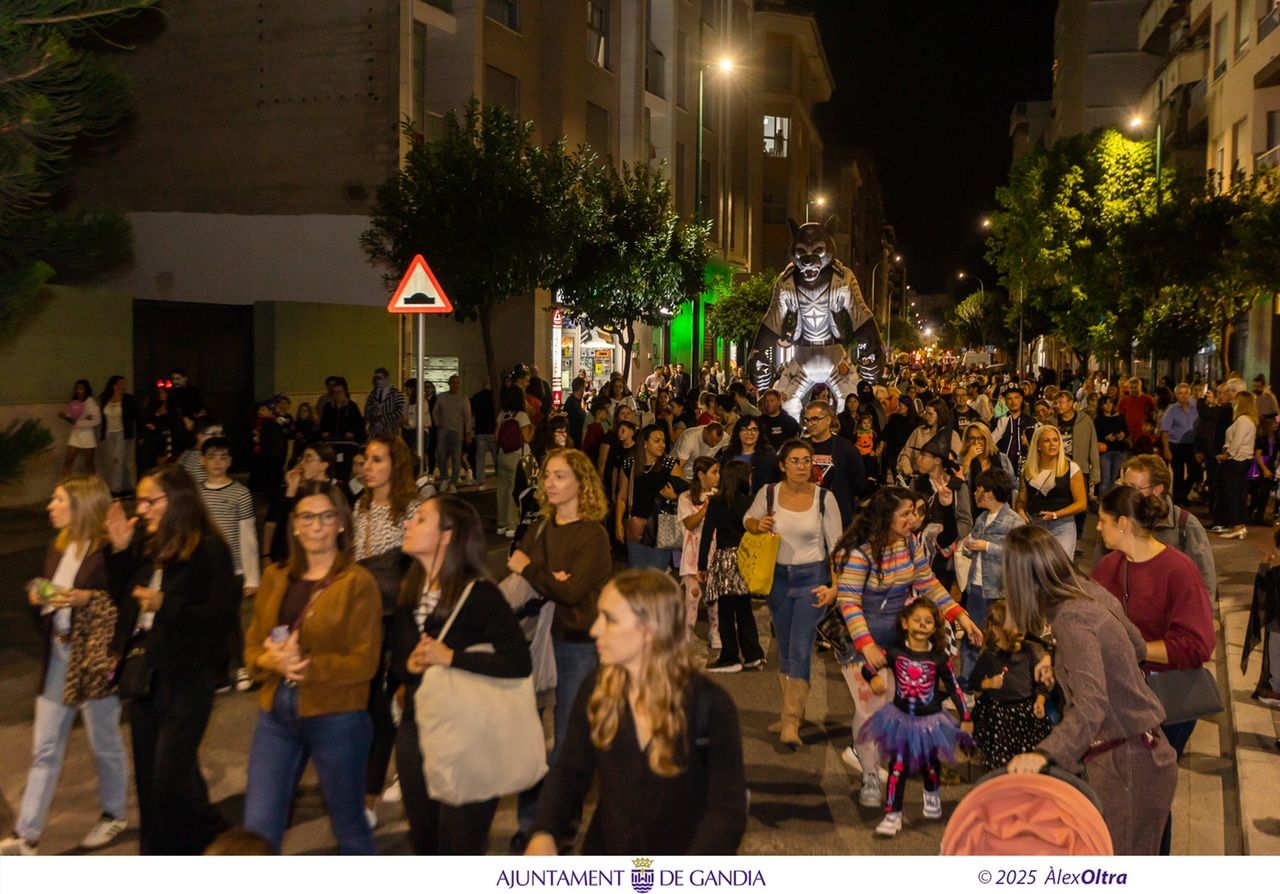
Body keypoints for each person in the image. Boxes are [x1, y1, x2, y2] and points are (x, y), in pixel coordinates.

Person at [526, 569, 748, 855]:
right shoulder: (597, 690)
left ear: (648, 630)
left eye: (610, 620)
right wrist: (544, 832)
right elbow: (570, 772)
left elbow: (727, 812)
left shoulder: (710, 706)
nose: (595, 629)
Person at [1003, 525, 1178, 856]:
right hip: (1146, 754)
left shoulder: (1071, 621)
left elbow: (1090, 706)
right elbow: (1137, 646)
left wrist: (1043, 754)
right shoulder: (1088, 591)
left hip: (1125, 765)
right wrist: (1060, 661)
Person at [102, 465, 238, 854]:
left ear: (177, 500)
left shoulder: (209, 549)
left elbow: (221, 618)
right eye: (139, 500)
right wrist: (119, 550)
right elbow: (124, 599)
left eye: (151, 500)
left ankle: (219, 841)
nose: (142, 508)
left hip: (188, 675)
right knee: (151, 777)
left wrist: (168, 605)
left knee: (170, 777)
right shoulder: (149, 544)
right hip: (147, 672)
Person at [242, 482, 381, 855]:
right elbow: (253, 643)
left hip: (337, 715)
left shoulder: (358, 583)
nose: (316, 525)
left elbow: (365, 662)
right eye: (307, 517)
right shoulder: (276, 577)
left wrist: (307, 667)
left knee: (349, 825)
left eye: (326, 516)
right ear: (295, 524)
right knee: (258, 825)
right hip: (276, 712)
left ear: (339, 523)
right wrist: (265, 660)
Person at [391, 496, 530, 854]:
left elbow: (518, 662)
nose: (408, 524)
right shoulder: (407, 592)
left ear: (447, 535)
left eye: (420, 519)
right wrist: (409, 666)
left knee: (459, 850)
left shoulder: (481, 594)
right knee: (425, 844)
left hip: (469, 738)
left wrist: (451, 657)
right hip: (416, 732)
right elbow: (398, 663)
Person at [0, 477, 128, 856]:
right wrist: (41, 595)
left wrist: (87, 598)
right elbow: (52, 601)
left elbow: (123, 603)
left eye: (57, 500)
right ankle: (28, 835)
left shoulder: (107, 551)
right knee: (45, 747)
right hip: (58, 654)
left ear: (81, 506)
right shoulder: (57, 546)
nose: (48, 506)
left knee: (103, 742)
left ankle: (114, 813)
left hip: (92, 659)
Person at [833, 487, 983, 808]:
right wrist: (866, 644)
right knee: (870, 706)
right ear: (885, 515)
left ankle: (865, 753)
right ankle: (870, 775)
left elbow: (927, 583)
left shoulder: (910, 544)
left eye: (914, 513)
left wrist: (960, 615)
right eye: (905, 513)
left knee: (888, 706)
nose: (912, 519)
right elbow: (848, 602)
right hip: (860, 644)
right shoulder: (859, 553)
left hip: (896, 642)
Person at [1090, 484, 1216, 853]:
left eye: (1102, 521)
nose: (1098, 529)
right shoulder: (1107, 567)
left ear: (1124, 523)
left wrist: (1139, 648)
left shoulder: (1179, 570)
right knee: (1121, 793)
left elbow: (1197, 645)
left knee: (1151, 798)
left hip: (1165, 702)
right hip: (1120, 700)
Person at [506, 448, 614, 849]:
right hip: (537, 642)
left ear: (580, 483)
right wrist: (546, 575)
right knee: (530, 742)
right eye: (547, 475)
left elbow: (569, 591)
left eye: (559, 476)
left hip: (579, 646)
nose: (549, 483)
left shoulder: (593, 535)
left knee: (569, 742)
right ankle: (530, 823)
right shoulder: (541, 529)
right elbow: (531, 580)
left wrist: (534, 570)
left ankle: (560, 827)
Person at [743, 439, 842, 748]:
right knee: (783, 647)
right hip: (778, 579)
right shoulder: (768, 493)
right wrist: (758, 525)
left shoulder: (825, 498)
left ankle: (790, 722)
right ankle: (790, 712)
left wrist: (835, 586)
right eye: (795, 461)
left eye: (806, 460)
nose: (802, 466)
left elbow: (837, 546)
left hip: (812, 579)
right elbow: (746, 520)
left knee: (800, 647)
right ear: (783, 465)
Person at [857, 599, 971, 838]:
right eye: (917, 620)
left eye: (928, 621)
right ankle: (892, 814)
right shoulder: (895, 652)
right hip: (900, 720)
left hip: (930, 722)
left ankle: (931, 795)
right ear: (905, 623)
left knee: (931, 765)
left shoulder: (939, 657)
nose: (922, 625)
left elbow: (953, 687)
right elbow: (868, 667)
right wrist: (873, 678)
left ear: (935, 626)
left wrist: (966, 715)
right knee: (897, 768)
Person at [352, 435, 422, 823]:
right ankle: (369, 791)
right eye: (366, 459)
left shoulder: (411, 509)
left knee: (406, 699)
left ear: (395, 466)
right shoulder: (358, 507)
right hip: (365, 619)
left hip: (401, 618)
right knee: (373, 705)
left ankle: (398, 777)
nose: (368, 466)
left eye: (377, 460)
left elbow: (417, 569)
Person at [195, 437, 260, 693]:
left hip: (232, 569)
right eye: (212, 457)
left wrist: (252, 577)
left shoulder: (240, 493)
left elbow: (248, 535)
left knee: (231, 620)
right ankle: (219, 673)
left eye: (223, 457)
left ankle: (242, 666)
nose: (218, 462)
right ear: (202, 461)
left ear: (230, 461)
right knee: (209, 622)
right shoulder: (196, 493)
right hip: (203, 570)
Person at [1107, 455, 1217, 597]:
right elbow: (1101, 574)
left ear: (1157, 490)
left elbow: (1204, 581)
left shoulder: (1186, 525)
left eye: (1134, 488)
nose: (1126, 494)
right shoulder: (1116, 521)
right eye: (1124, 486)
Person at [966, 599, 1052, 771]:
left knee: (1025, 758)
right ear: (997, 630)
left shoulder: (1027, 652)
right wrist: (989, 683)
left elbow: (1041, 683)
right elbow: (974, 682)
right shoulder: (989, 656)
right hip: (998, 715)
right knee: (1000, 763)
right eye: (1015, 625)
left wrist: (1040, 701)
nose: (1021, 629)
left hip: (1025, 713)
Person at [697, 460, 765, 674]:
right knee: (744, 609)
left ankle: (730, 656)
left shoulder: (716, 502)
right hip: (745, 558)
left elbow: (707, 534)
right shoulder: (750, 502)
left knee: (726, 610)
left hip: (725, 558)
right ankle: (753, 655)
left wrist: (702, 565)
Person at [958, 468, 1024, 676]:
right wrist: (969, 546)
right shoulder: (981, 519)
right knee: (971, 636)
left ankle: (1000, 686)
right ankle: (967, 687)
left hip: (999, 591)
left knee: (1001, 641)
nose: (975, 493)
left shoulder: (1014, 522)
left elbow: (1019, 554)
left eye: (979, 489)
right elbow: (971, 550)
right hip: (976, 587)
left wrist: (988, 547)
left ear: (990, 493)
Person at [616, 425, 684, 571]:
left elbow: (685, 495)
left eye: (663, 441)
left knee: (657, 576)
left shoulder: (670, 465)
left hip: (662, 528)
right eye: (657, 441)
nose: (662, 445)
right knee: (636, 573)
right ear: (645, 443)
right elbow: (622, 496)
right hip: (637, 526)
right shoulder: (630, 464)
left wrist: (674, 496)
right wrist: (618, 523)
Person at [262, 444, 345, 563]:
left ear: (323, 465)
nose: (302, 463)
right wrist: (291, 489)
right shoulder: (300, 492)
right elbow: (283, 534)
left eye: (308, 459)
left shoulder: (338, 491)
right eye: (302, 458)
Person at [1015, 425, 1087, 557]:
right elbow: (1021, 500)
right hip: (1035, 526)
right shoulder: (1028, 470)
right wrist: (1020, 512)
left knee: (1060, 570)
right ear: (1038, 445)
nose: (1052, 444)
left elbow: (1081, 503)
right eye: (1047, 441)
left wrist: (1055, 515)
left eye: (1055, 440)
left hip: (1062, 526)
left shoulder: (1071, 468)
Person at [677, 457, 719, 650]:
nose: (718, 477)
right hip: (693, 555)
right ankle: (685, 634)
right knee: (692, 596)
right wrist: (706, 508)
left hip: (714, 554)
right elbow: (690, 523)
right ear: (702, 475)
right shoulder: (686, 497)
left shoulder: (720, 495)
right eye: (714, 472)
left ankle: (715, 632)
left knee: (714, 597)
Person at [804, 399, 866, 527]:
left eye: (815, 419)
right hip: (807, 515)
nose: (811, 424)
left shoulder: (845, 448)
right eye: (807, 420)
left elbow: (859, 483)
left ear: (828, 420)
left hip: (839, 516)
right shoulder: (800, 448)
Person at [1215, 390, 1258, 540]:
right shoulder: (1249, 420)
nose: (1233, 403)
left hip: (1236, 460)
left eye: (1236, 401)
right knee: (1239, 492)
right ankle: (1239, 524)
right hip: (1243, 460)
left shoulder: (1243, 420)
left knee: (1230, 493)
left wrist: (1225, 455)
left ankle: (1237, 524)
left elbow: (1236, 442)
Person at [496, 385, 535, 537]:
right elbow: (527, 438)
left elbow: (496, 436)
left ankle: (502, 524)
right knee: (515, 491)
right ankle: (512, 526)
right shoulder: (522, 416)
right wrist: (532, 427)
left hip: (502, 455)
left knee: (502, 490)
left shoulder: (502, 414)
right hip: (517, 456)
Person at [960, 421, 1017, 515]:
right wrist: (968, 459)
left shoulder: (1002, 459)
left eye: (981, 438)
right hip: (972, 512)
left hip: (1001, 511)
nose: (976, 442)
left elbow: (1013, 486)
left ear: (987, 440)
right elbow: (960, 485)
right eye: (972, 438)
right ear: (967, 441)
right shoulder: (962, 460)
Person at [896, 399, 962, 479]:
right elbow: (906, 453)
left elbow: (957, 461)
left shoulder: (952, 436)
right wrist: (904, 462)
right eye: (925, 413)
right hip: (917, 477)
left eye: (930, 414)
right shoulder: (918, 432)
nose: (926, 417)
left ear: (940, 414)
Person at [432, 374, 473, 494]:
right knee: (441, 455)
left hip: (457, 431)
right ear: (449, 384)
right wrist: (438, 424)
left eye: (457, 382)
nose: (455, 385)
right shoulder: (442, 397)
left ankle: (453, 482)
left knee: (456, 457)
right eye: (453, 382)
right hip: (443, 430)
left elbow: (467, 416)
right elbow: (435, 411)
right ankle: (444, 477)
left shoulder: (463, 398)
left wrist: (468, 432)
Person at [1160, 383, 1200, 505]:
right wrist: (1166, 449)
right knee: (1178, 473)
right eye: (1180, 393)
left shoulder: (1196, 408)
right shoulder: (1172, 410)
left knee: (1195, 471)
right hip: (1176, 445)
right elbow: (1165, 431)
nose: (1183, 396)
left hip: (1191, 445)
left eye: (1186, 393)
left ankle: (1182, 494)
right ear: (1176, 395)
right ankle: (1178, 500)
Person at [98, 376, 138, 497]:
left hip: (122, 433)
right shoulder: (106, 399)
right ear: (114, 385)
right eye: (121, 383)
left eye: (125, 384)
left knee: (117, 460)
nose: (124, 386)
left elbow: (135, 415)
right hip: (110, 433)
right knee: (117, 461)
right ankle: (127, 487)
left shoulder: (127, 399)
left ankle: (115, 489)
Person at [725, 415, 777, 495]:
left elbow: (775, 482)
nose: (749, 433)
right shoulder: (728, 455)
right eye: (745, 429)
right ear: (738, 432)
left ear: (759, 433)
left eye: (754, 429)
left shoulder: (768, 456)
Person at [60, 379, 100, 476]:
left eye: (81, 388)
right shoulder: (75, 402)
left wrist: (81, 422)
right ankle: (66, 484)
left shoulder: (90, 402)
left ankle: (93, 486)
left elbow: (97, 420)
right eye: (77, 389)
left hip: (87, 435)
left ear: (86, 390)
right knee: (68, 460)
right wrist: (66, 417)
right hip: (76, 434)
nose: (79, 391)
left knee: (89, 463)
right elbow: (73, 418)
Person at [991, 383, 1033, 475]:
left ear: (1021, 399)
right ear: (1004, 400)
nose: (1013, 401)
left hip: (1024, 468)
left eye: (1016, 397)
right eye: (1009, 398)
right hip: (1000, 469)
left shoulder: (1030, 422)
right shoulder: (996, 421)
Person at [1094, 394, 1130, 494]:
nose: (1108, 405)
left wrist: (1123, 434)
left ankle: (1111, 503)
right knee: (1105, 480)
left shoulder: (1119, 416)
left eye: (1110, 402)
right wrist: (1106, 438)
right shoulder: (1098, 420)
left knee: (1114, 480)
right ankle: (1102, 504)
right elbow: (1095, 435)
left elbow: (1127, 431)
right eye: (1105, 403)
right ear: (1101, 406)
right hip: (1105, 451)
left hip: (1119, 450)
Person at [318, 379, 365, 445]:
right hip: (331, 440)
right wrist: (323, 432)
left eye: (339, 392)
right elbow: (323, 423)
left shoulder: (351, 406)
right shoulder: (328, 406)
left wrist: (353, 433)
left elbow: (359, 425)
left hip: (348, 441)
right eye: (334, 392)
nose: (336, 395)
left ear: (344, 392)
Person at [363, 367, 405, 440]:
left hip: (390, 431)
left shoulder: (397, 394)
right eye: (376, 378)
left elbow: (400, 411)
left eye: (380, 378)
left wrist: (382, 419)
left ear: (387, 378)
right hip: (374, 431)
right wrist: (371, 419)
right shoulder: (373, 394)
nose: (377, 381)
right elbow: (367, 409)